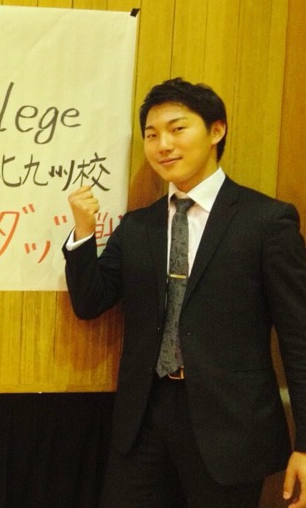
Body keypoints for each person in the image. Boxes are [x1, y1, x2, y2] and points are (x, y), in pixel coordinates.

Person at [63, 78, 306, 508]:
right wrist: (84, 232)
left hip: (230, 427)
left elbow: (298, 337)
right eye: (152, 135)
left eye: (177, 129)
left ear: (216, 130)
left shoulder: (267, 221)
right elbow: (90, 301)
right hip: (145, 419)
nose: (163, 145)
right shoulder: (139, 226)